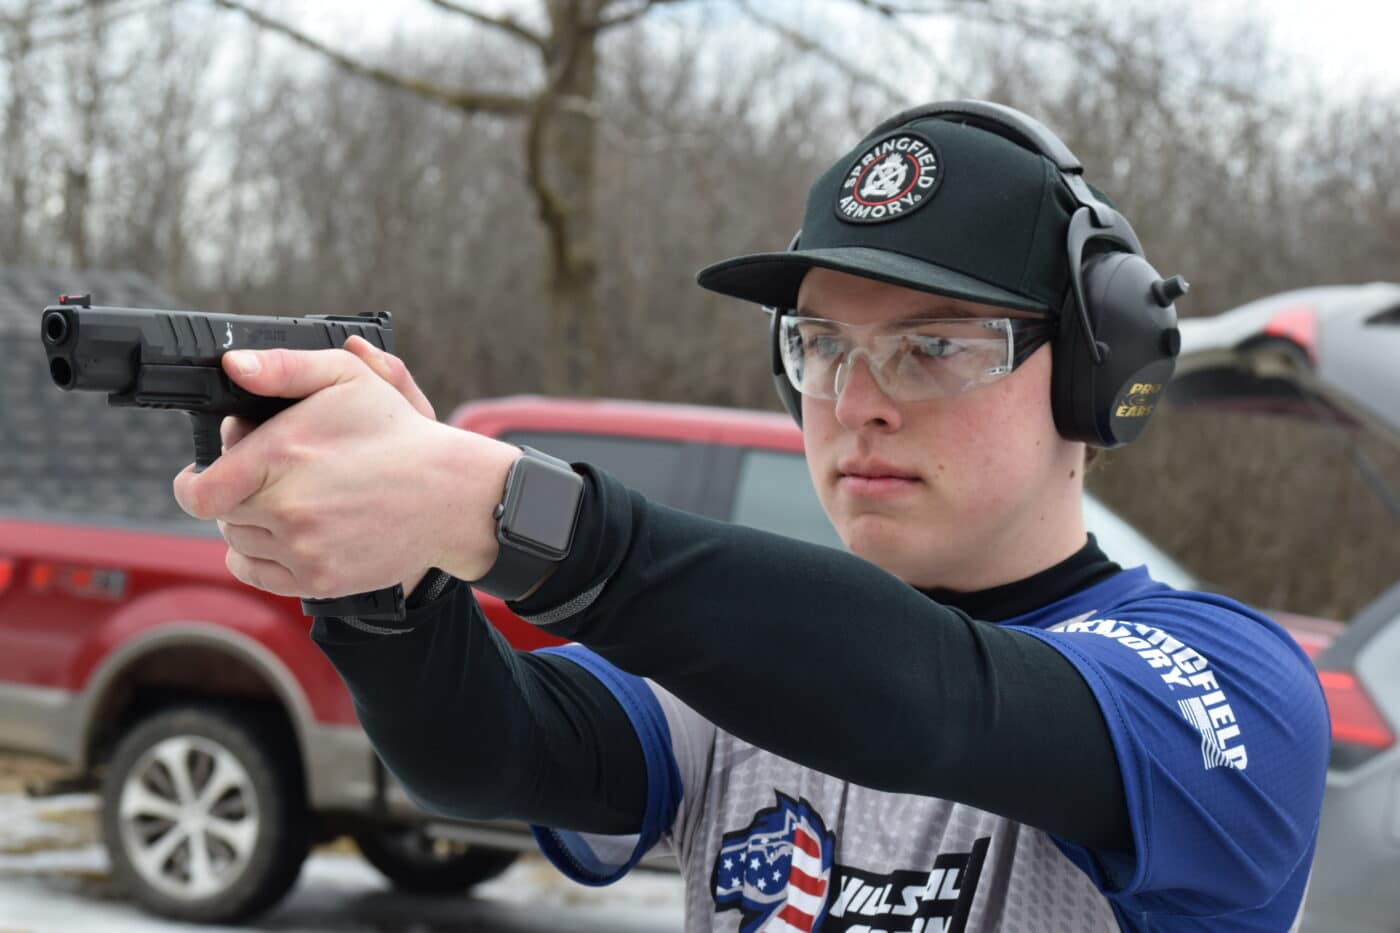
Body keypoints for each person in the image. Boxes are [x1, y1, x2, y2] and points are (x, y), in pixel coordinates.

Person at [173, 101, 1329, 932]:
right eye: (819, 346)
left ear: (1091, 373)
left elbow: (930, 704)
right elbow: (491, 757)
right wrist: (382, 577)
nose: (854, 403)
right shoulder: (743, 683)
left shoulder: (1221, 684)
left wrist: (511, 510)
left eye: (931, 347)